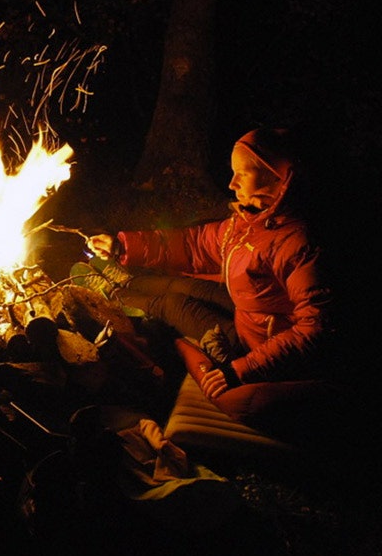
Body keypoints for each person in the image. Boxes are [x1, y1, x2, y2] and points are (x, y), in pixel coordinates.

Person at [78, 128, 336, 435]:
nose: (231, 183)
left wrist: (240, 370)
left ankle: (180, 346)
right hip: (247, 320)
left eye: (242, 173)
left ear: (275, 176)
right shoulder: (249, 220)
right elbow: (195, 245)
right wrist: (124, 246)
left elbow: (315, 330)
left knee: (232, 395)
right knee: (182, 289)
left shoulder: (300, 243)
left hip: (269, 356)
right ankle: (114, 286)